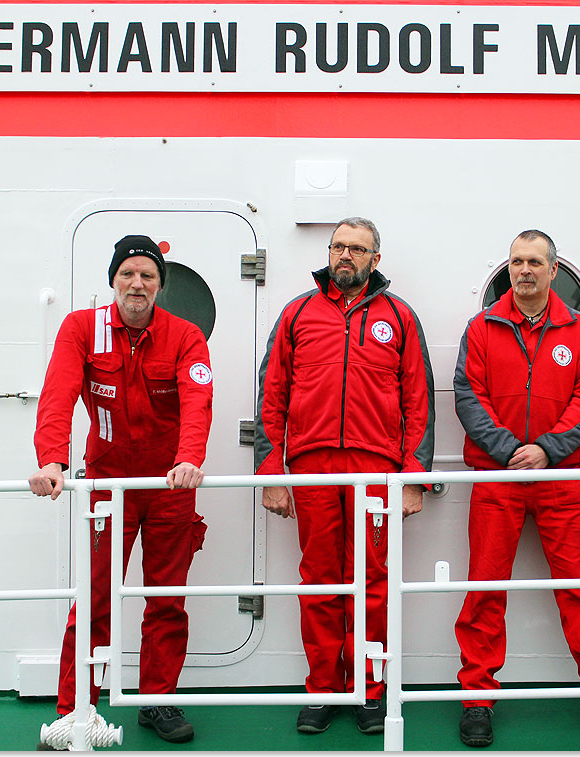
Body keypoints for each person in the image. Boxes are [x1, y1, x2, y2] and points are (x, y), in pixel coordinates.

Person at [29, 234, 213, 745]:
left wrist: (189, 459)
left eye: (148, 276)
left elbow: (198, 402)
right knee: (94, 597)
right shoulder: (81, 329)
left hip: (170, 485)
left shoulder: (185, 336)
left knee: (166, 598)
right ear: (113, 279)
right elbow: (59, 394)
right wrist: (52, 459)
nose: (137, 283)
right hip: (108, 485)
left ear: (159, 286)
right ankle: (74, 708)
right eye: (128, 273)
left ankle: (158, 701)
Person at [254, 217, 434, 735]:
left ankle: (371, 691)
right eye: (338, 246)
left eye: (357, 248)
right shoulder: (297, 314)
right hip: (311, 465)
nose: (345, 255)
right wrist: (272, 471)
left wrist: (414, 478)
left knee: (373, 581)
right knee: (320, 581)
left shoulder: (399, 317)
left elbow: (417, 399)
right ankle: (323, 689)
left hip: (376, 468)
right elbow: (273, 396)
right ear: (329, 253)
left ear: (376, 259)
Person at [452, 230, 580, 748]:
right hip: (497, 479)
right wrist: (508, 449)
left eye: (534, 262)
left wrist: (548, 449)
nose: (524, 270)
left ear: (554, 270)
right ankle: (477, 699)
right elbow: (468, 393)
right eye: (516, 261)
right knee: (485, 590)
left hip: (561, 482)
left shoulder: (578, 331)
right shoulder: (481, 327)